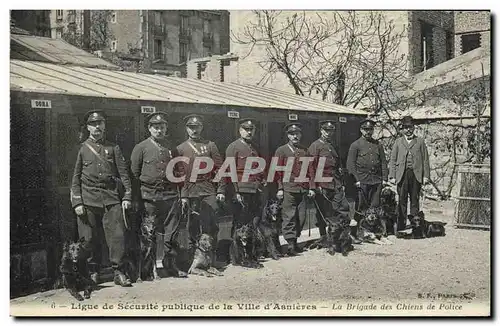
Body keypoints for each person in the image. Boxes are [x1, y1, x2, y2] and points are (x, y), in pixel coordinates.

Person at [70, 110, 133, 287]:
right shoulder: (81, 149)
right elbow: (74, 178)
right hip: (88, 200)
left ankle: (118, 271)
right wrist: (77, 201)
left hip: (111, 198)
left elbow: (124, 173)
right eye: (93, 124)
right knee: (88, 238)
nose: (97, 127)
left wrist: (127, 195)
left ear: (104, 126)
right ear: (88, 127)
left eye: (100, 123)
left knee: (117, 237)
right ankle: (92, 272)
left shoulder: (113, 148)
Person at [130, 112, 187, 278]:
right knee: (149, 234)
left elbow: (179, 172)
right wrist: (134, 198)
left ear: (166, 128)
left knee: (171, 234)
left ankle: (171, 266)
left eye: (162, 127)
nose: (159, 130)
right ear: (149, 128)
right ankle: (148, 270)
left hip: (169, 197)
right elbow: (134, 175)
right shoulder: (141, 148)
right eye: (155, 127)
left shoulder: (171, 148)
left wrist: (182, 195)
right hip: (149, 197)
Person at [176, 114, 226, 261]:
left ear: (201, 128)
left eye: (197, 127)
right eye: (191, 127)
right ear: (186, 129)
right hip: (191, 191)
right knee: (193, 225)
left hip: (208, 189)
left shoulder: (210, 145)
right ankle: (194, 257)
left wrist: (221, 190)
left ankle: (212, 255)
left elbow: (220, 169)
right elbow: (180, 174)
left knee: (211, 224)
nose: (194, 130)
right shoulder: (181, 148)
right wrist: (183, 196)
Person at [308, 120, 352, 246]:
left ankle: (341, 236)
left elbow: (337, 166)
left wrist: (341, 182)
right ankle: (325, 239)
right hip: (323, 184)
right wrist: (314, 186)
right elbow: (311, 168)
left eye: (331, 130)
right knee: (324, 213)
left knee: (342, 208)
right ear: (321, 131)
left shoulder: (332, 145)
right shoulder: (315, 146)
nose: (329, 133)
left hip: (335, 183)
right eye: (326, 130)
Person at [274, 123, 316, 256]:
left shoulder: (304, 151)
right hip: (288, 189)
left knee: (301, 217)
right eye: (292, 134)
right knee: (289, 216)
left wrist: (312, 187)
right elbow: (277, 172)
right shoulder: (281, 151)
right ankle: (290, 244)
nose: (295, 136)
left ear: (300, 135)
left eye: (297, 133)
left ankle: (296, 241)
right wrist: (280, 188)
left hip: (302, 189)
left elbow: (310, 170)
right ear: (288, 135)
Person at [347, 118, 389, 238]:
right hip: (362, 181)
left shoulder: (378, 145)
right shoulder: (355, 145)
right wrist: (356, 179)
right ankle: (356, 233)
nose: (368, 132)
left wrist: (384, 178)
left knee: (375, 207)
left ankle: (375, 232)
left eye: (370, 129)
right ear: (361, 130)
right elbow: (350, 164)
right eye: (365, 129)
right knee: (361, 209)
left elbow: (383, 163)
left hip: (376, 181)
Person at [389, 116, 430, 231]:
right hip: (402, 175)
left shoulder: (420, 142)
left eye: (410, 127)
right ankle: (401, 224)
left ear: (414, 128)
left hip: (416, 175)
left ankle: (414, 224)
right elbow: (393, 159)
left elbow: (425, 160)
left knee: (414, 200)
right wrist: (392, 175)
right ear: (402, 129)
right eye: (406, 127)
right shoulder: (398, 142)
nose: (408, 130)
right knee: (401, 200)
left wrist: (426, 176)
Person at [225, 118, 265, 232]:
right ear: (240, 130)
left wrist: (261, 181)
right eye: (246, 129)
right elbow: (230, 170)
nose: (249, 132)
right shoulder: (233, 147)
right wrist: (235, 191)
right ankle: (236, 249)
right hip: (242, 190)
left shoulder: (255, 147)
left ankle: (252, 247)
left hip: (255, 190)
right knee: (240, 222)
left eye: (251, 129)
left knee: (255, 220)